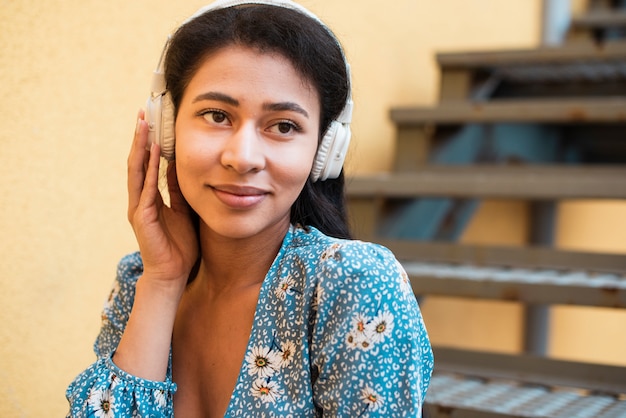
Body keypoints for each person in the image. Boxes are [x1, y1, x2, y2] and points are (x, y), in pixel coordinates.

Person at [66, 0, 433, 416]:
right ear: (166, 127)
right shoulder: (139, 280)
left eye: (283, 126)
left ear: (324, 151)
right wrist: (163, 282)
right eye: (216, 115)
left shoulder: (352, 284)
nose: (243, 158)